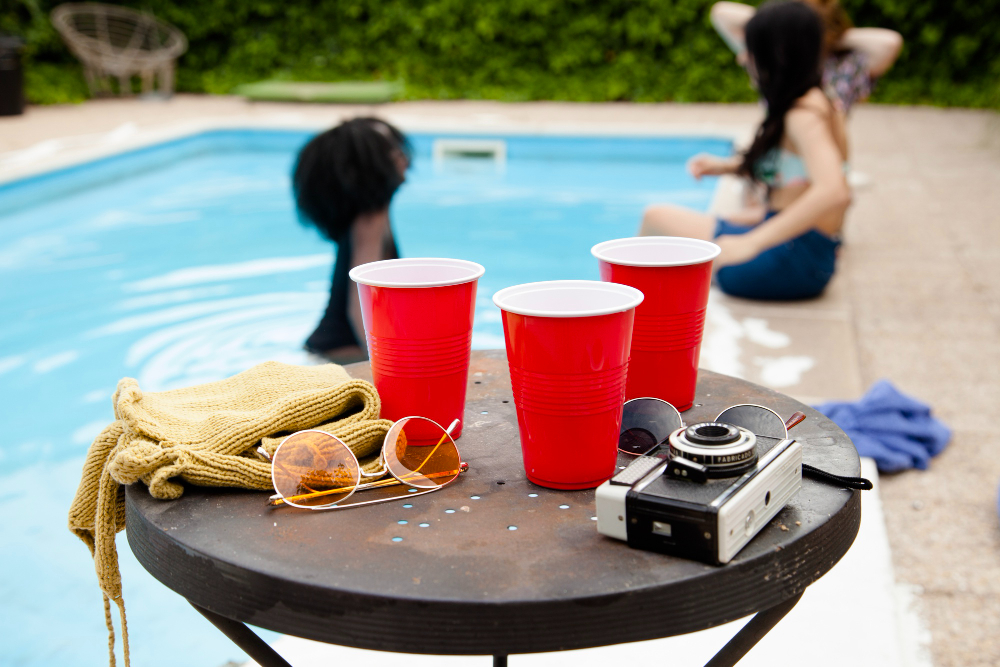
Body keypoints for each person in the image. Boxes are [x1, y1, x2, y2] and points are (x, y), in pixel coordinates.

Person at [639, 0, 851, 301]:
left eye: (751, 50)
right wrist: (730, 172)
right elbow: (802, 175)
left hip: (790, 261)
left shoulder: (803, 115)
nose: (741, 58)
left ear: (776, 55)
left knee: (655, 220)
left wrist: (752, 242)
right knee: (666, 230)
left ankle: (626, 323)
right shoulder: (821, 101)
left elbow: (835, 191)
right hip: (805, 254)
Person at [293, 118, 411, 362]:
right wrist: (391, 365)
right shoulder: (369, 219)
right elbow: (362, 303)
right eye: (391, 152)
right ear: (373, 167)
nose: (403, 158)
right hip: (337, 359)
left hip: (326, 352)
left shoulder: (367, 213)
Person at [711, 0, 903, 114]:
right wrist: (778, 22)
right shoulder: (776, 59)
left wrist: (829, 38)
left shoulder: (842, 69)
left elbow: (890, 43)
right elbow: (720, 12)